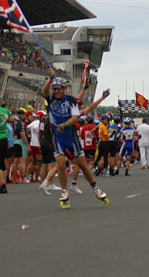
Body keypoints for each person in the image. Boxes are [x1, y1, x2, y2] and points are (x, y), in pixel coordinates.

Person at [42, 71, 109, 210]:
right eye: (54, 89)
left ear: (64, 89)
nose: (55, 91)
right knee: (60, 164)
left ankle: (96, 189)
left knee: (83, 166)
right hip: (58, 138)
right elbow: (45, 91)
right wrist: (50, 80)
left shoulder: (72, 103)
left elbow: (84, 110)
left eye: (57, 89)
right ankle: (64, 191)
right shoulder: (52, 99)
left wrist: (102, 98)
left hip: (71, 138)